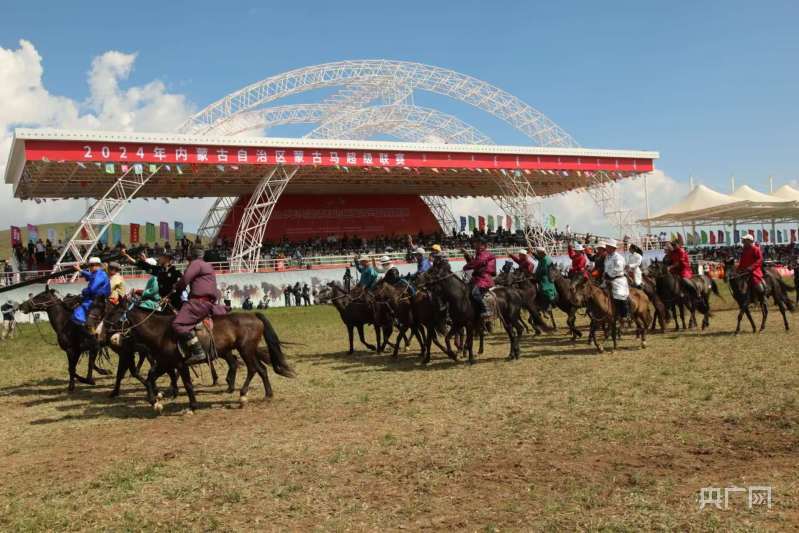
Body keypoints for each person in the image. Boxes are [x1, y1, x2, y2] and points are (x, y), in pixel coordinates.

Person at [172, 247, 226, 365]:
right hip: (208, 303)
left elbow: (185, 279)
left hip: (198, 303)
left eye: (188, 259)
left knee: (177, 324)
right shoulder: (208, 266)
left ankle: (198, 351)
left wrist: (176, 288)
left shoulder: (195, 264)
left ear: (191, 257)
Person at [72, 257, 111, 328]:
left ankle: (84, 329)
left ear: (97, 265)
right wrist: (80, 270)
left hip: (96, 301)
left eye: (91, 265)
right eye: (90, 265)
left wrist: (84, 291)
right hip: (95, 299)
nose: (90, 267)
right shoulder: (97, 273)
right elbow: (90, 275)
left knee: (77, 313)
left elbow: (92, 289)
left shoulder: (100, 274)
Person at [463, 238, 496, 320]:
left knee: (475, 293)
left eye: (477, 243)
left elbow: (477, 262)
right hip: (478, 278)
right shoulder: (479, 254)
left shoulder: (485, 254)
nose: (475, 245)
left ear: (483, 245)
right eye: (475, 243)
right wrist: (467, 255)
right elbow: (475, 262)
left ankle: (486, 309)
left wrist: (466, 266)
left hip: (484, 279)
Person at [603, 239, 630, 317]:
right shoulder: (607, 257)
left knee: (619, 295)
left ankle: (625, 314)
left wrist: (610, 274)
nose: (606, 248)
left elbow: (619, 268)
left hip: (618, 280)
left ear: (612, 248)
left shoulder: (618, 257)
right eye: (606, 246)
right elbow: (606, 267)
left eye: (607, 247)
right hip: (607, 280)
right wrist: (605, 274)